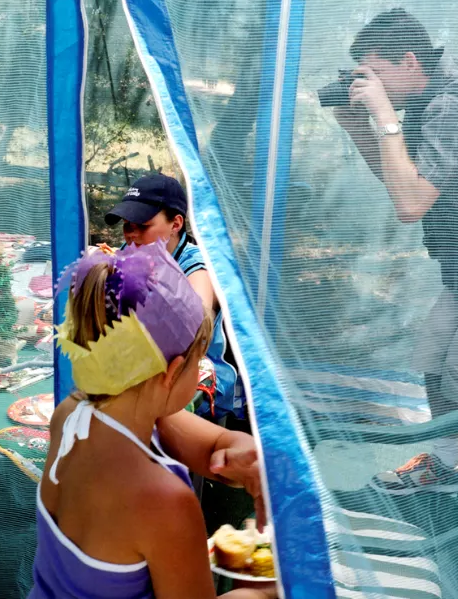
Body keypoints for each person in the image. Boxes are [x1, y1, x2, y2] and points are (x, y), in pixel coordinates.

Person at [30, 242, 275, 599]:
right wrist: (262, 590)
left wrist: (236, 447)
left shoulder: (74, 413)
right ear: (173, 372)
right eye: (197, 363)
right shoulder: (165, 503)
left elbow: (204, 441)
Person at [332, 8, 458, 495]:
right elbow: (407, 183)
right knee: (434, 359)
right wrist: (359, 126)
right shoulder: (432, 95)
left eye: (374, 73)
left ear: (408, 62)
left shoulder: (452, 105)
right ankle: (445, 469)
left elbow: (409, 205)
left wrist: (383, 116)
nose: (367, 85)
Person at [105, 173, 243, 424]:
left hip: (195, 374)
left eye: (142, 226)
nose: (130, 235)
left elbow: (196, 324)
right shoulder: (129, 252)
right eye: (126, 225)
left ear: (176, 224)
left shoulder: (195, 265)